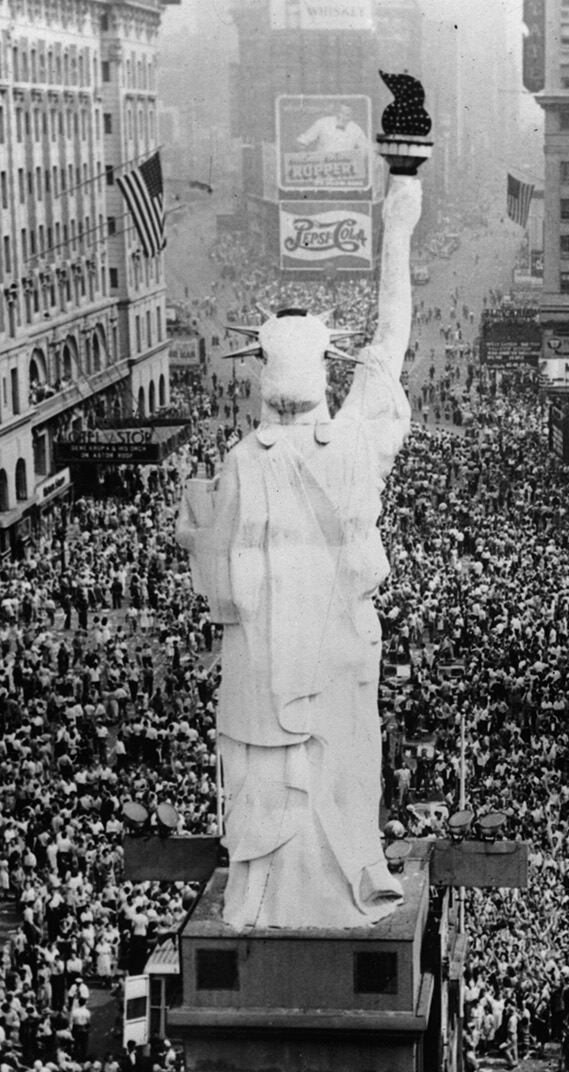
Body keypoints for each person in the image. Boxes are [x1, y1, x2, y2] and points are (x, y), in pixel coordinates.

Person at [175, 169, 422, 930]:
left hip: (271, 670)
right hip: (337, 657)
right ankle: (328, 883)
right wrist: (398, 223)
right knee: (340, 771)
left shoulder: (244, 462)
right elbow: (389, 345)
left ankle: (273, 891)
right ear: (321, 369)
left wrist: (199, 518)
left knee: (286, 776)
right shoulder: (346, 444)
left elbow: (220, 589)